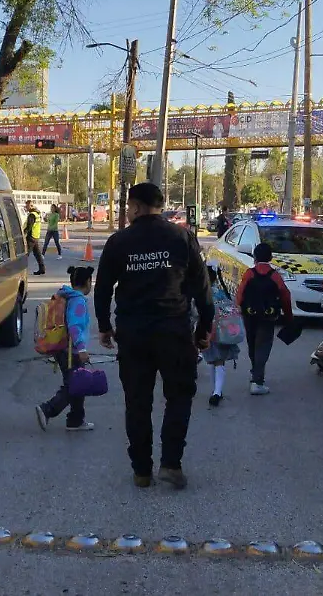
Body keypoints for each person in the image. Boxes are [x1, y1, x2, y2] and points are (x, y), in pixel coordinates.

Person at [95, 182, 213, 490]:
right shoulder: (182, 237)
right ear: (160, 206)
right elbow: (202, 288)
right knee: (179, 397)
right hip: (174, 330)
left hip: (133, 333)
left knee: (137, 402)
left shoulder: (119, 241)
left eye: (128, 207)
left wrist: (104, 326)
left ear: (135, 207)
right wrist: (204, 329)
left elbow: (103, 287)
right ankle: (171, 464)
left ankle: (141, 471)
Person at [35, 265, 95, 432]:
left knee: (77, 384)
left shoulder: (67, 296)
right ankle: (48, 409)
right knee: (74, 385)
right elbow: (74, 327)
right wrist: (81, 349)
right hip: (72, 352)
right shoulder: (78, 301)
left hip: (63, 349)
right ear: (88, 281)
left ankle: (75, 420)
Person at [236, 242, 294, 395]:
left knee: (252, 345)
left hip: (250, 316)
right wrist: (288, 317)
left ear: (254, 257)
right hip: (268, 317)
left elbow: (240, 294)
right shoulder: (275, 275)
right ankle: (257, 381)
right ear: (270, 257)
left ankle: (255, 372)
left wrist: (238, 311)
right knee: (262, 346)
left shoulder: (249, 273)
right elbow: (285, 295)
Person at [201, 263, 240, 406]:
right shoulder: (222, 292)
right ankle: (217, 391)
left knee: (212, 360)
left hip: (207, 332)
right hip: (223, 332)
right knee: (219, 362)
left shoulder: (201, 294)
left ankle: (215, 390)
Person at [24, 201, 46, 276]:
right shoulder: (37, 214)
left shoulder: (32, 215)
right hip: (36, 236)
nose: (26, 207)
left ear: (30, 206)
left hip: (31, 236)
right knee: (37, 254)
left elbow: (29, 226)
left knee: (25, 254)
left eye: (27, 206)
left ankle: (21, 271)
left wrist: (24, 233)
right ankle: (42, 269)